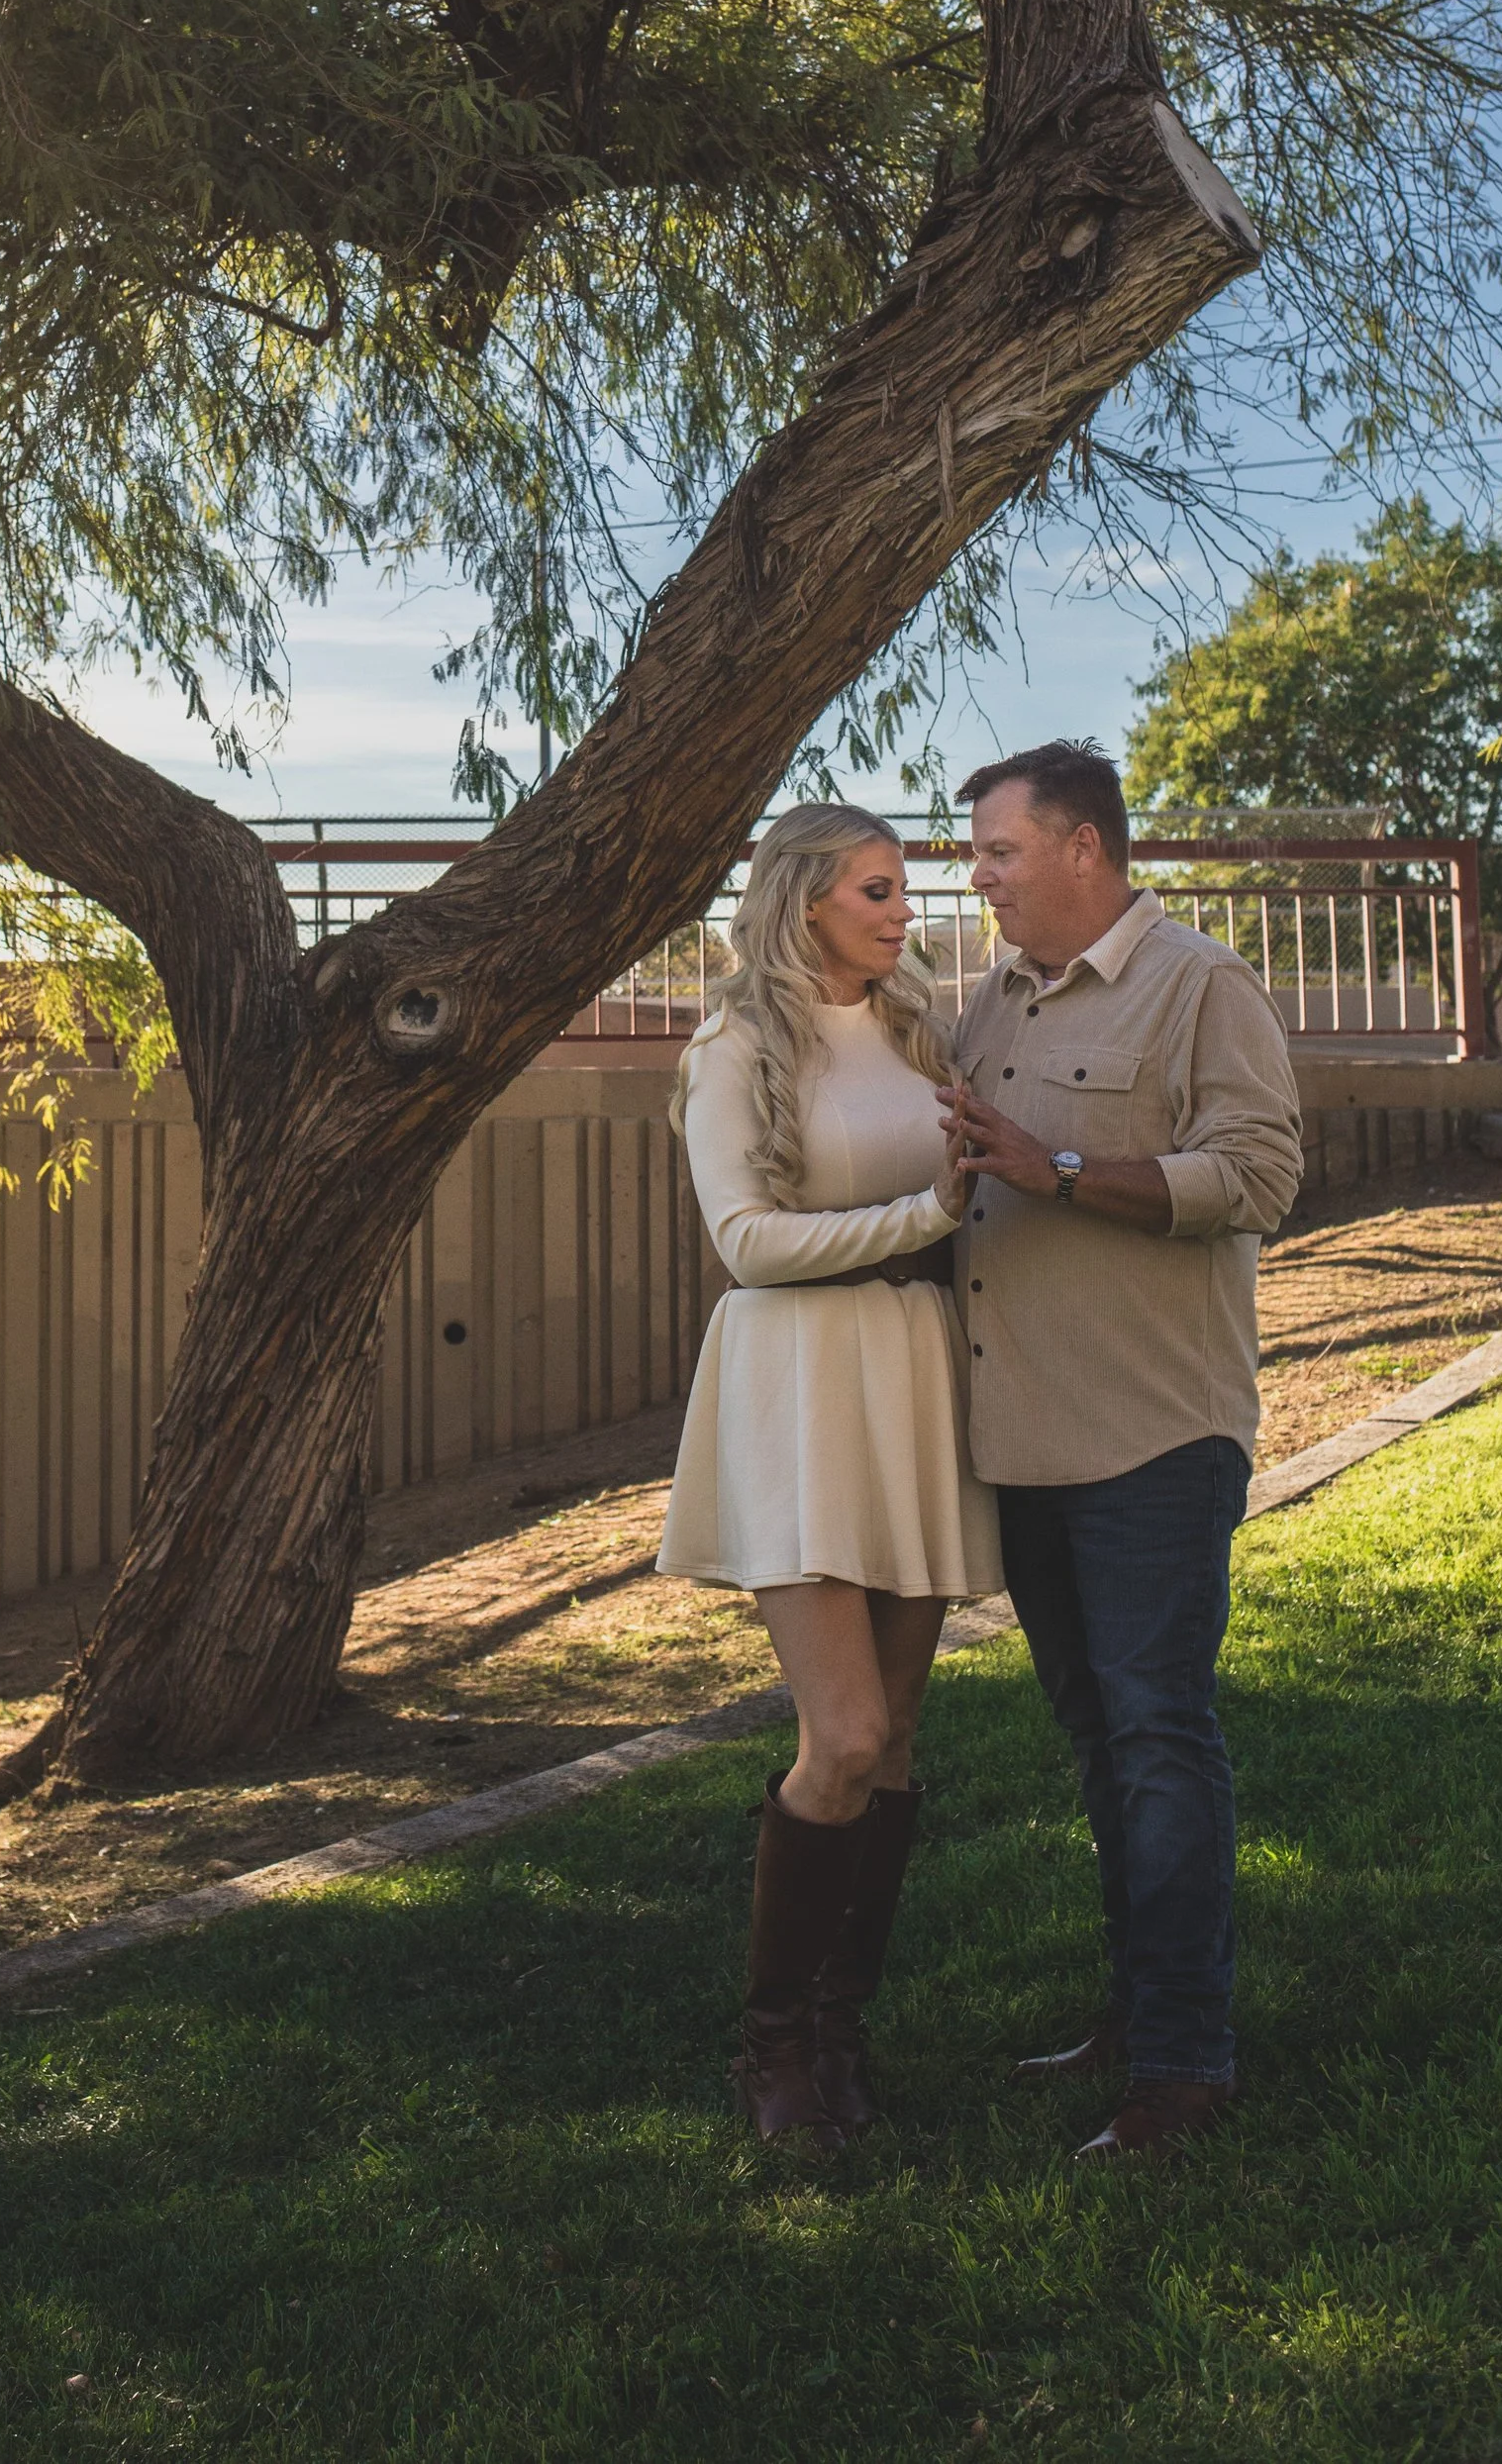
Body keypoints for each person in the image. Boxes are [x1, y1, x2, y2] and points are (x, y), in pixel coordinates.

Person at [943, 739, 1304, 2160]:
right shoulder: (993, 998)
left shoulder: (1200, 985)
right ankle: (1140, 2012)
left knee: (1159, 1739)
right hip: (1025, 1439)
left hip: (1153, 1438)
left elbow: (1260, 1174)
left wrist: (1064, 1170)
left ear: (1083, 845)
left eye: (999, 851)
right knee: (1102, 1742)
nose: (978, 877)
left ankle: (1182, 2062)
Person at [659, 803, 1003, 2148]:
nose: (903, 911)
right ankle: (773, 2049)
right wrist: (926, 1211)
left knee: (898, 1735)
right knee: (845, 1734)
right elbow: (745, 1240)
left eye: (902, 888)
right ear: (803, 898)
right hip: (798, 1386)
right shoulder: (735, 1044)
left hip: (914, 1376)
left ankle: (841, 2033)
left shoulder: (920, 1029)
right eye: (876, 889)